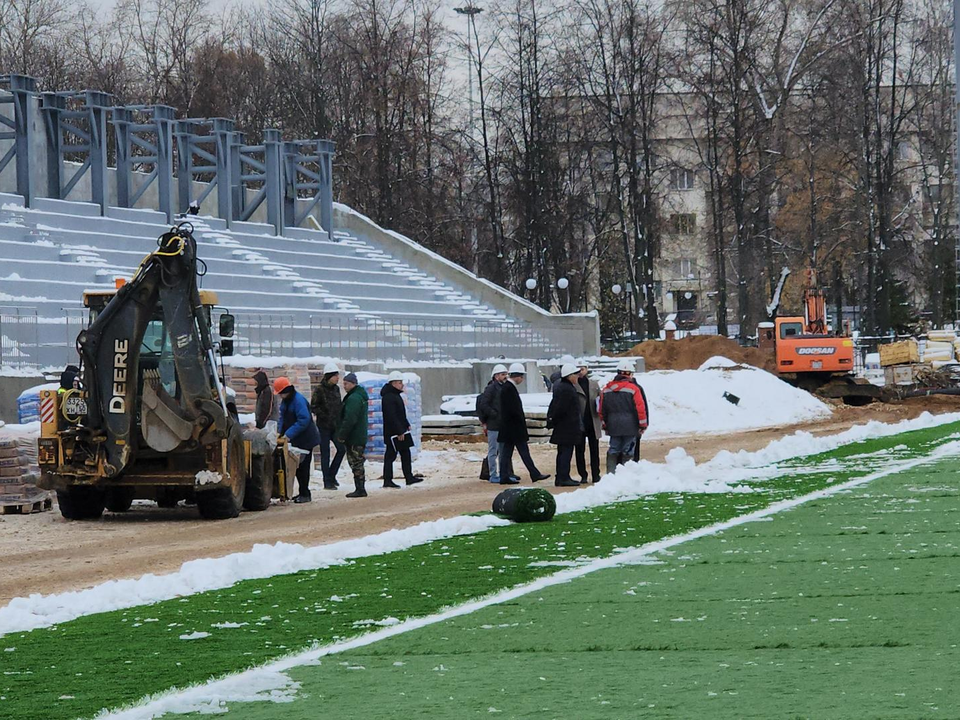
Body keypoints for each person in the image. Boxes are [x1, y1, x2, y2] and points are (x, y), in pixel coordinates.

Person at [498, 362, 550, 485]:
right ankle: (533, 473)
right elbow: (513, 410)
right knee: (522, 452)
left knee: (507, 453)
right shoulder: (509, 389)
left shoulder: (507, 388)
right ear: (518, 376)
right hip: (514, 428)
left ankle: (505, 475)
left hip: (510, 428)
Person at [275, 376, 322, 504]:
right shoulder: (286, 401)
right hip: (296, 438)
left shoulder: (298, 401)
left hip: (306, 439)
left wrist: (288, 434)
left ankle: (305, 494)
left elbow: (304, 420)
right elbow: (282, 418)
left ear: (286, 391)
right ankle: (302, 492)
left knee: (303, 467)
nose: (280, 396)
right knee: (296, 467)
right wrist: (279, 432)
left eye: (280, 393)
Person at [598, 359, 649, 473]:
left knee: (613, 450)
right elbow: (640, 409)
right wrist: (643, 425)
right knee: (628, 451)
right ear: (630, 374)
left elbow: (601, 410)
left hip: (613, 426)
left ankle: (610, 474)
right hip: (630, 426)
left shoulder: (606, 390)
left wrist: (605, 424)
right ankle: (627, 475)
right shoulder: (634, 389)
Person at [381, 371, 424, 488]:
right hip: (393, 433)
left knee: (405, 453)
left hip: (400, 430)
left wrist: (406, 424)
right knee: (390, 456)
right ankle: (388, 480)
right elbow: (392, 416)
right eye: (400, 383)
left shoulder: (395, 395)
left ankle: (408, 477)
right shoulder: (389, 397)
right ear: (393, 383)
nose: (402, 385)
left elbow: (400, 414)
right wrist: (399, 431)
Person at [546, 363, 585, 487]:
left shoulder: (562, 387)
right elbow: (561, 408)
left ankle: (562, 476)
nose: (578, 377)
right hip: (567, 427)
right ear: (569, 376)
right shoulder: (567, 389)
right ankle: (563, 477)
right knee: (566, 453)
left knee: (563, 452)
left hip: (564, 427)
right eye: (575, 374)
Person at [311, 362, 345, 490]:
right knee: (325, 454)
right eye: (335, 375)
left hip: (335, 426)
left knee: (341, 449)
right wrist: (325, 415)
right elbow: (313, 406)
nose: (337, 378)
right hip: (324, 426)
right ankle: (327, 481)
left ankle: (332, 474)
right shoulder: (319, 390)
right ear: (329, 376)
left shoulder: (336, 389)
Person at [337, 372, 369, 498]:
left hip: (354, 436)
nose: (344, 386)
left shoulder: (354, 398)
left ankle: (360, 488)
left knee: (356, 462)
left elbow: (350, 419)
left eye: (346, 383)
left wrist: (342, 434)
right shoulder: (357, 396)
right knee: (357, 461)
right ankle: (360, 487)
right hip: (358, 435)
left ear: (353, 384)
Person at [476, 363, 508, 484]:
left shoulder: (504, 388)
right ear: (496, 376)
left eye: (506, 374)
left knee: (503, 451)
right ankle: (493, 474)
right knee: (493, 451)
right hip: (494, 425)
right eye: (502, 374)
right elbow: (483, 404)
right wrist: (494, 414)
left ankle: (504, 473)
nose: (505, 376)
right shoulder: (491, 389)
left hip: (502, 425)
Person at [574, 359, 602, 483]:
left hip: (592, 420)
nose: (580, 371)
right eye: (578, 369)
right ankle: (583, 475)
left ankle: (596, 474)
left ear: (587, 369)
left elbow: (600, 399)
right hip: (579, 422)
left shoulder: (593, 384)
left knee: (594, 450)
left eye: (583, 368)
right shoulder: (573, 385)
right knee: (579, 450)